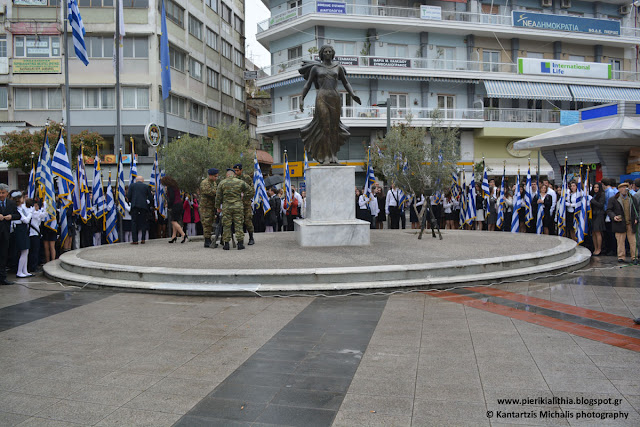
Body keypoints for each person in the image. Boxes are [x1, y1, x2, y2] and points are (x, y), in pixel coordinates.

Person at [299, 44, 361, 164]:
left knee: (334, 128)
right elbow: (307, 84)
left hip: (335, 98)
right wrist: (302, 98)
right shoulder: (316, 68)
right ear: (321, 54)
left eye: (329, 51)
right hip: (322, 97)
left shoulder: (338, 67)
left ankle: (333, 155)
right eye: (325, 52)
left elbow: (346, 82)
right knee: (325, 128)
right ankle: (326, 156)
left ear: (333, 54)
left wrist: (353, 95)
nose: (327, 53)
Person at [216, 169, 250, 250]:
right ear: (234, 175)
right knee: (239, 224)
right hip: (238, 206)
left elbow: (218, 196)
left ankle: (226, 244)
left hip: (226, 207)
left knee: (226, 225)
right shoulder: (240, 182)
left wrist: (217, 207)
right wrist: (243, 198)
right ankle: (240, 243)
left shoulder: (222, 183)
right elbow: (250, 190)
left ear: (227, 175)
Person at [606, 182, 638, 264]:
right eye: (622, 188)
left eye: (626, 187)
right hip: (619, 223)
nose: (624, 189)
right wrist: (614, 217)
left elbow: (637, 210)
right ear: (619, 189)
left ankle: (634, 257)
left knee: (633, 241)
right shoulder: (613, 199)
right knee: (620, 241)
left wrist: (636, 218)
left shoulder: (632, 199)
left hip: (630, 223)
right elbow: (609, 210)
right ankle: (621, 257)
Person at [0, 183, 20, 285]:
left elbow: (18, 215)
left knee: (3, 256)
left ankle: (2, 278)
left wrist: (11, 216)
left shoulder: (10, 203)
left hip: (5, 234)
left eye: (3, 193)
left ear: (7, 193)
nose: (1, 195)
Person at [127, 175, 154, 245]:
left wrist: (131, 202)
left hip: (135, 205)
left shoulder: (132, 186)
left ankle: (135, 240)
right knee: (143, 222)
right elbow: (150, 197)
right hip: (143, 206)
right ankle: (143, 239)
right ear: (143, 180)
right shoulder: (146, 186)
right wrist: (148, 203)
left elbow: (128, 196)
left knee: (134, 222)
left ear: (136, 180)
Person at [161, 175, 188, 244]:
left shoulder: (170, 188)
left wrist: (169, 205)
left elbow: (172, 198)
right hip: (179, 204)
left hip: (175, 205)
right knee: (175, 220)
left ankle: (183, 235)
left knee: (173, 221)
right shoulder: (176, 186)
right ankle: (174, 236)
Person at [233, 163, 255, 245]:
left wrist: (244, 196)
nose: (236, 172)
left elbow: (252, 191)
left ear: (241, 170)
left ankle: (251, 237)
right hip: (235, 204)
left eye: (237, 170)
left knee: (248, 220)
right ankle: (240, 240)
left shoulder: (247, 178)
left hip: (245, 204)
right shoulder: (232, 179)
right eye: (234, 170)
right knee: (238, 222)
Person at [25, 199, 47, 273]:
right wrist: (46, 206)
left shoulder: (31, 212)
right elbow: (44, 214)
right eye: (36, 206)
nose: (37, 207)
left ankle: (31, 266)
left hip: (32, 234)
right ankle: (33, 267)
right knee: (34, 252)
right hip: (34, 234)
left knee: (32, 252)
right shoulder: (34, 213)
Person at [199, 168, 219, 248]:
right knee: (206, 223)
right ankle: (207, 241)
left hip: (211, 207)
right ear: (210, 175)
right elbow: (209, 192)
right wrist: (219, 192)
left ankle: (209, 240)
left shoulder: (213, 183)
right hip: (205, 207)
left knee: (210, 223)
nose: (216, 178)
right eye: (215, 176)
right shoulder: (204, 183)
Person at [590, 182, 606, 256]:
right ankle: (595, 248)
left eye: (597, 187)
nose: (596, 189)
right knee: (593, 232)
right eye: (594, 187)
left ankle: (599, 248)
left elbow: (600, 205)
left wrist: (592, 200)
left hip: (599, 214)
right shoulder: (592, 194)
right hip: (592, 215)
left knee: (597, 232)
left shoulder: (602, 194)